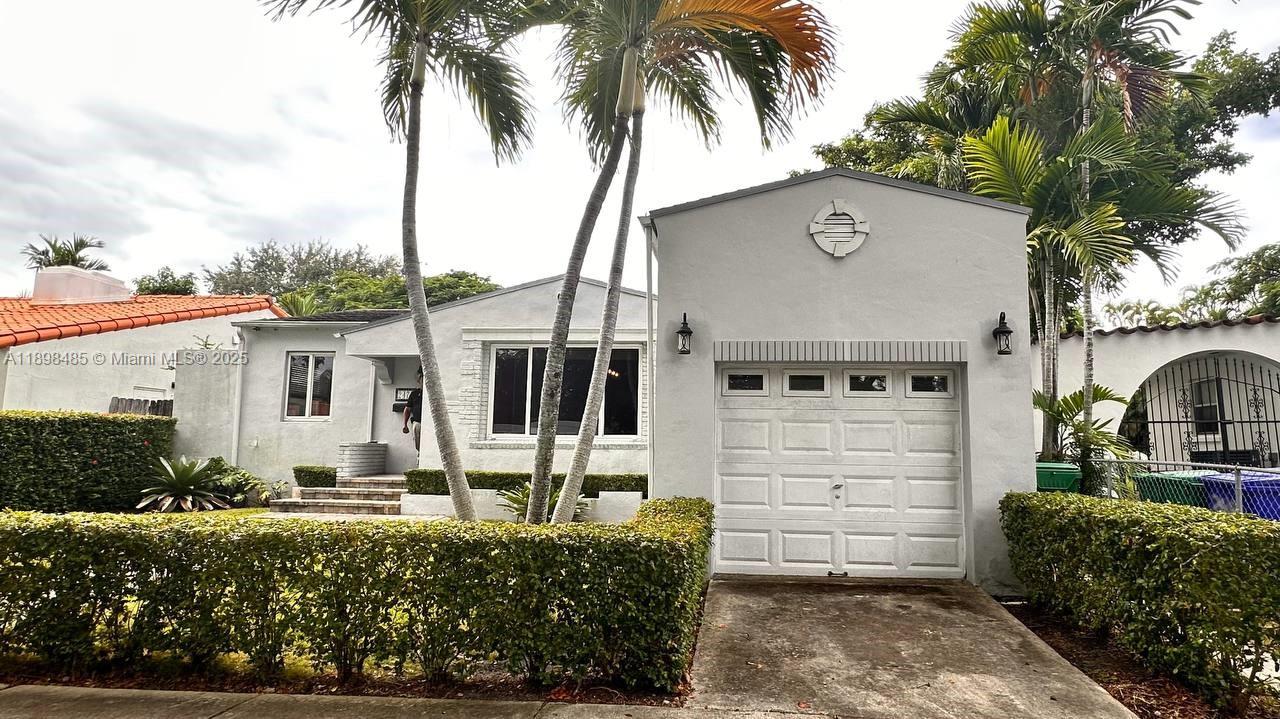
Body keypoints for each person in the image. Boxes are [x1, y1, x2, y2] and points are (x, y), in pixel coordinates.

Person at [401, 367, 424, 451]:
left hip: (431, 424)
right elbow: (407, 409)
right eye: (421, 378)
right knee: (417, 427)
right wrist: (405, 425)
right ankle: (419, 453)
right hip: (418, 422)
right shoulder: (415, 393)